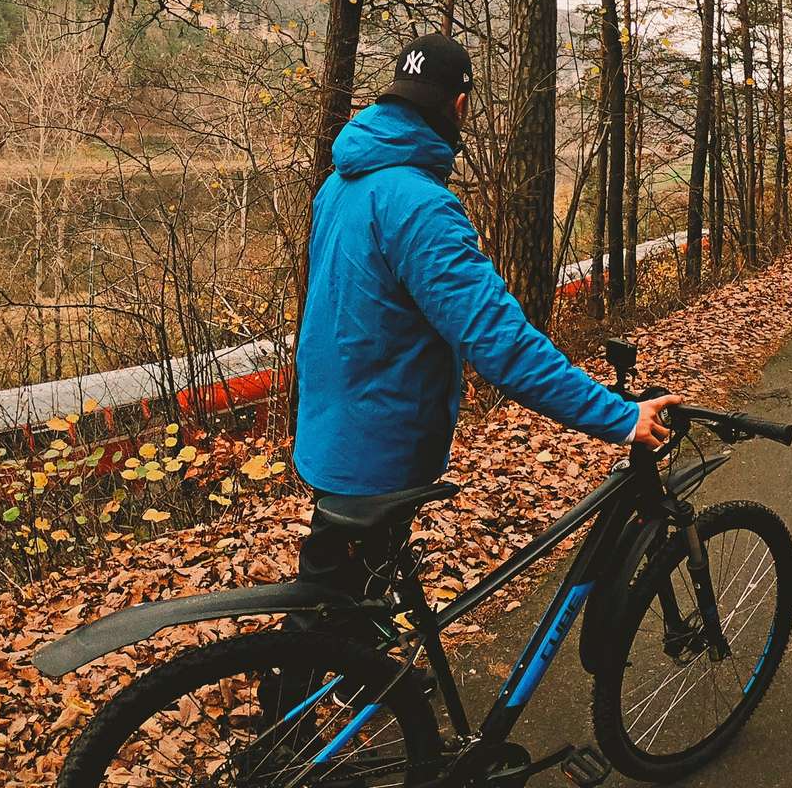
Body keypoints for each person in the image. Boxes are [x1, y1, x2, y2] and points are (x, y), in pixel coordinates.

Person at [291, 32, 680, 617]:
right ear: (460, 106)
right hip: (378, 453)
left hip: (328, 433)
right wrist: (618, 417)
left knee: (340, 611)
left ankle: (348, 689)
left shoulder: (340, 186)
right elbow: (502, 345)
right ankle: (313, 698)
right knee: (327, 630)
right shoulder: (420, 206)